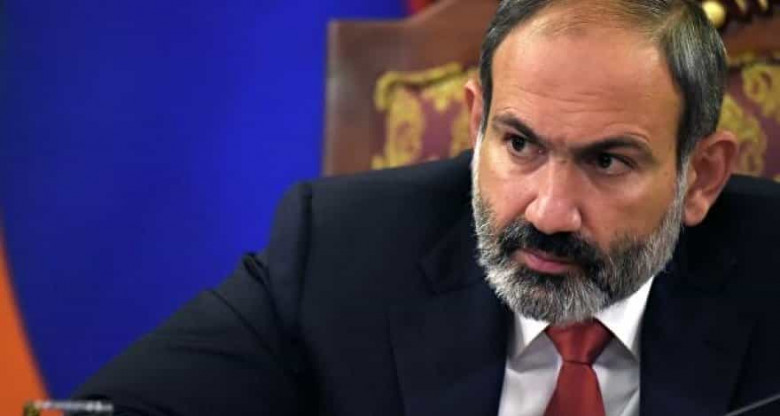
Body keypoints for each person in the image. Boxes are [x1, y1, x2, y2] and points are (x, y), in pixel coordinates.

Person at [75, 0, 780, 415]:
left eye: (607, 161)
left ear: (700, 177)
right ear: (477, 124)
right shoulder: (341, 251)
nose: (548, 213)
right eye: (519, 144)